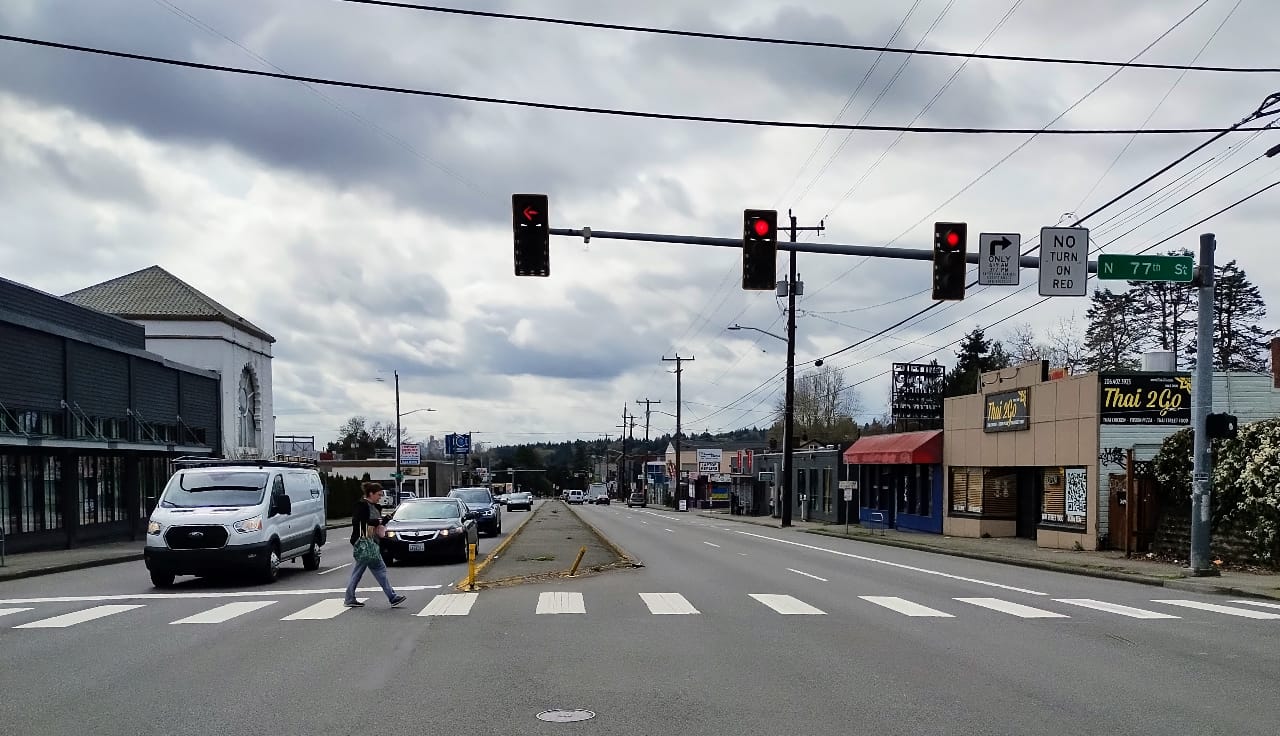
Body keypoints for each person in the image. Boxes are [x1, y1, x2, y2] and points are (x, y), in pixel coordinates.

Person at [344, 482, 407, 608]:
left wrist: (384, 520)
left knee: (366, 571)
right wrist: (375, 522)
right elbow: (358, 523)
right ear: (371, 494)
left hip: (371, 542)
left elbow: (376, 524)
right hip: (364, 542)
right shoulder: (361, 505)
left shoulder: (376, 507)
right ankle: (392, 597)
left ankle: (350, 598)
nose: (380, 497)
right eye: (378, 494)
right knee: (376, 570)